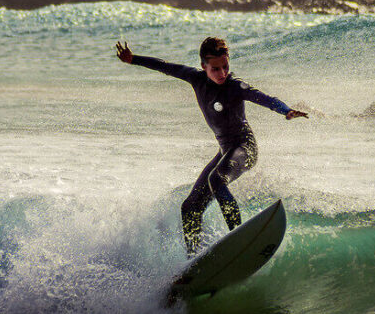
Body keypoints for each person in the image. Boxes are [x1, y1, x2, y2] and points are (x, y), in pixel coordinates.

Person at [116, 37, 308, 256]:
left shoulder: (235, 86)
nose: (222, 73)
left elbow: (263, 97)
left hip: (245, 148)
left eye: (225, 66)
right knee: (190, 208)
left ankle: (241, 237)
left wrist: (285, 110)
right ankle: (194, 258)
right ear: (203, 67)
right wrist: (134, 60)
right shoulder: (195, 79)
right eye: (215, 68)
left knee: (216, 179)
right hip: (226, 150)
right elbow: (166, 67)